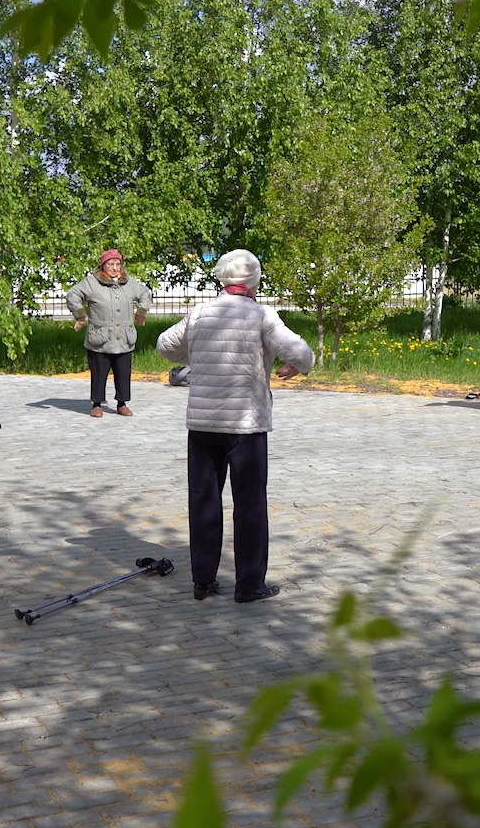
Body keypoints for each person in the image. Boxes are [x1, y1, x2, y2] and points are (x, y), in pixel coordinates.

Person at [156, 249, 315, 604]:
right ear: (253, 281)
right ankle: (249, 584)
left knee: (203, 500)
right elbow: (300, 352)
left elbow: (165, 345)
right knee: (249, 504)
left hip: (203, 425)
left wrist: (197, 354)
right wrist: (298, 366)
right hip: (246, 425)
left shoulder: (200, 312)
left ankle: (203, 580)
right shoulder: (261, 315)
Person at [66, 249, 155, 418]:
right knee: (99, 373)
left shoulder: (128, 283)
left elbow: (144, 293)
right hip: (100, 338)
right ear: (103, 265)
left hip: (124, 337)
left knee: (123, 373)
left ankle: (122, 404)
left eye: (117, 264)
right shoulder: (92, 282)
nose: (115, 268)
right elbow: (73, 295)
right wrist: (80, 316)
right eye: (111, 264)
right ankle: (97, 404)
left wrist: (141, 312)